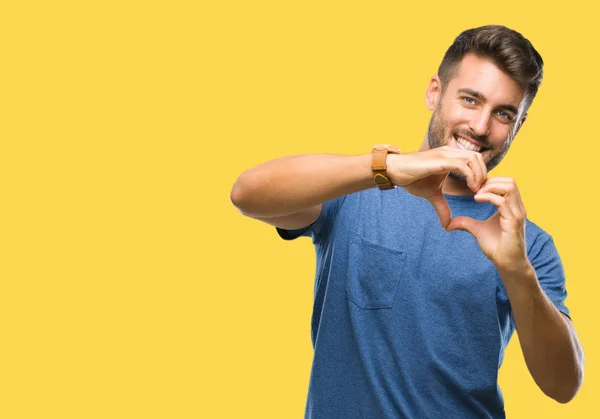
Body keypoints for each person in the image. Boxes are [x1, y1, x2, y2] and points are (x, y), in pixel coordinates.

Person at [230, 25, 584, 418]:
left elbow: (563, 385)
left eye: (503, 114)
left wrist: (517, 270)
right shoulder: (355, 192)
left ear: (518, 127)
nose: (481, 127)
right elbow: (246, 194)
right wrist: (386, 167)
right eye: (470, 100)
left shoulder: (526, 244)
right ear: (435, 92)